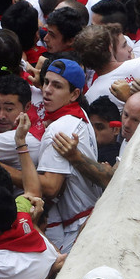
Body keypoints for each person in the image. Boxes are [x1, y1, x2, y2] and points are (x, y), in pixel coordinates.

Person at [33, 58, 102, 252]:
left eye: (57, 86)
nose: (47, 90)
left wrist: (3, 169)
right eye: (46, 82)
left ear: (74, 94)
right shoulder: (78, 114)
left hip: (78, 226)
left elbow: (51, 187)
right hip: (84, 219)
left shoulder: (62, 127)